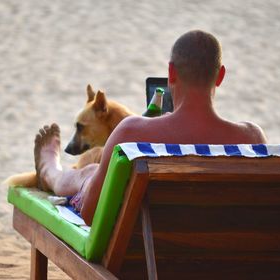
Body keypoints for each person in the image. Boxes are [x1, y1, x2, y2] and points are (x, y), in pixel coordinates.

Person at [34, 30, 267, 226]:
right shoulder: (252, 139)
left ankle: (50, 172)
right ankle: (53, 172)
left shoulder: (133, 133)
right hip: (227, 257)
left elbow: (90, 213)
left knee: (88, 173)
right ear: (221, 76)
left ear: (171, 73)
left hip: (145, 259)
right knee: (95, 171)